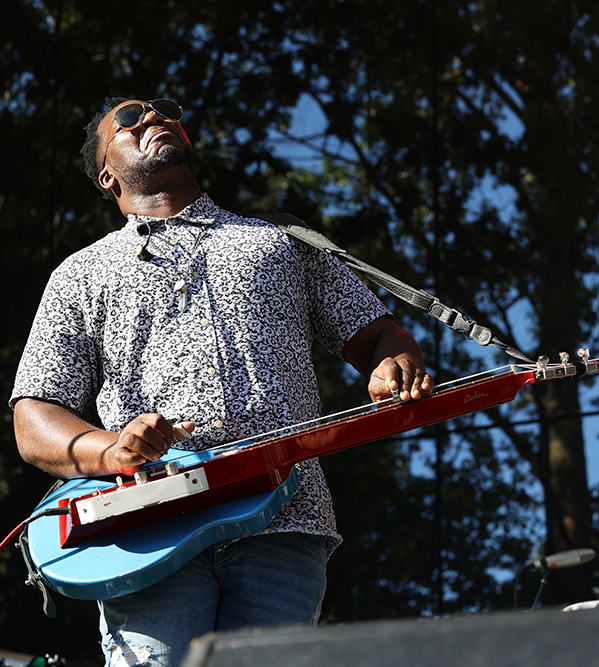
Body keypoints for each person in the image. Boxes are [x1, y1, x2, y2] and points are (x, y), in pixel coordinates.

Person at [10, 97, 434, 667]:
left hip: (285, 520)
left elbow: (380, 334)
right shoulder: (80, 273)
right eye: (129, 121)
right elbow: (33, 418)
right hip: (150, 527)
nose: (153, 119)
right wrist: (111, 450)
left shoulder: (282, 240)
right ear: (107, 174)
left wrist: (393, 362)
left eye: (164, 111)